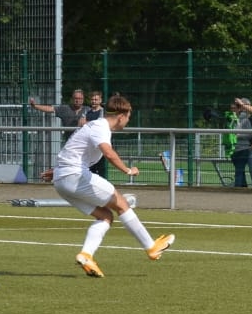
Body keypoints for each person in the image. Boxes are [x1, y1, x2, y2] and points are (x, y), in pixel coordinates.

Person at [53, 93, 175, 277]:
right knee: (121, 203)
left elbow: (71, 150)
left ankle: (86, 255)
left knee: (105, 216)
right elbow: (108, 153)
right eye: (128, 118)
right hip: (73, 175)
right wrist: (127, 170)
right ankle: (151, 247)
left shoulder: (94, 126)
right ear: (121, 116)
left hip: (62, 180)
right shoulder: (101, 127)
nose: (127, 121)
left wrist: (56, 172)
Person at [29, 88, 87, 182]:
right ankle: (55, 176)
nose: (77, 100)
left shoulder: (88, 110)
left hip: (84, 145)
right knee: (67, 165)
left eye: (80, 98)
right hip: (70, 145)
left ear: (83, 99)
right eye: (76, 98)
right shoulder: (65, 109)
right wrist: (35, 106)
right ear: (72, 99)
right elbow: (50, 109)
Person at [228, 97, 252, 187]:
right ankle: (243, 188)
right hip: (239, 149)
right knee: (240, 171)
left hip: (250, 148)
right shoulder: (236, 118)